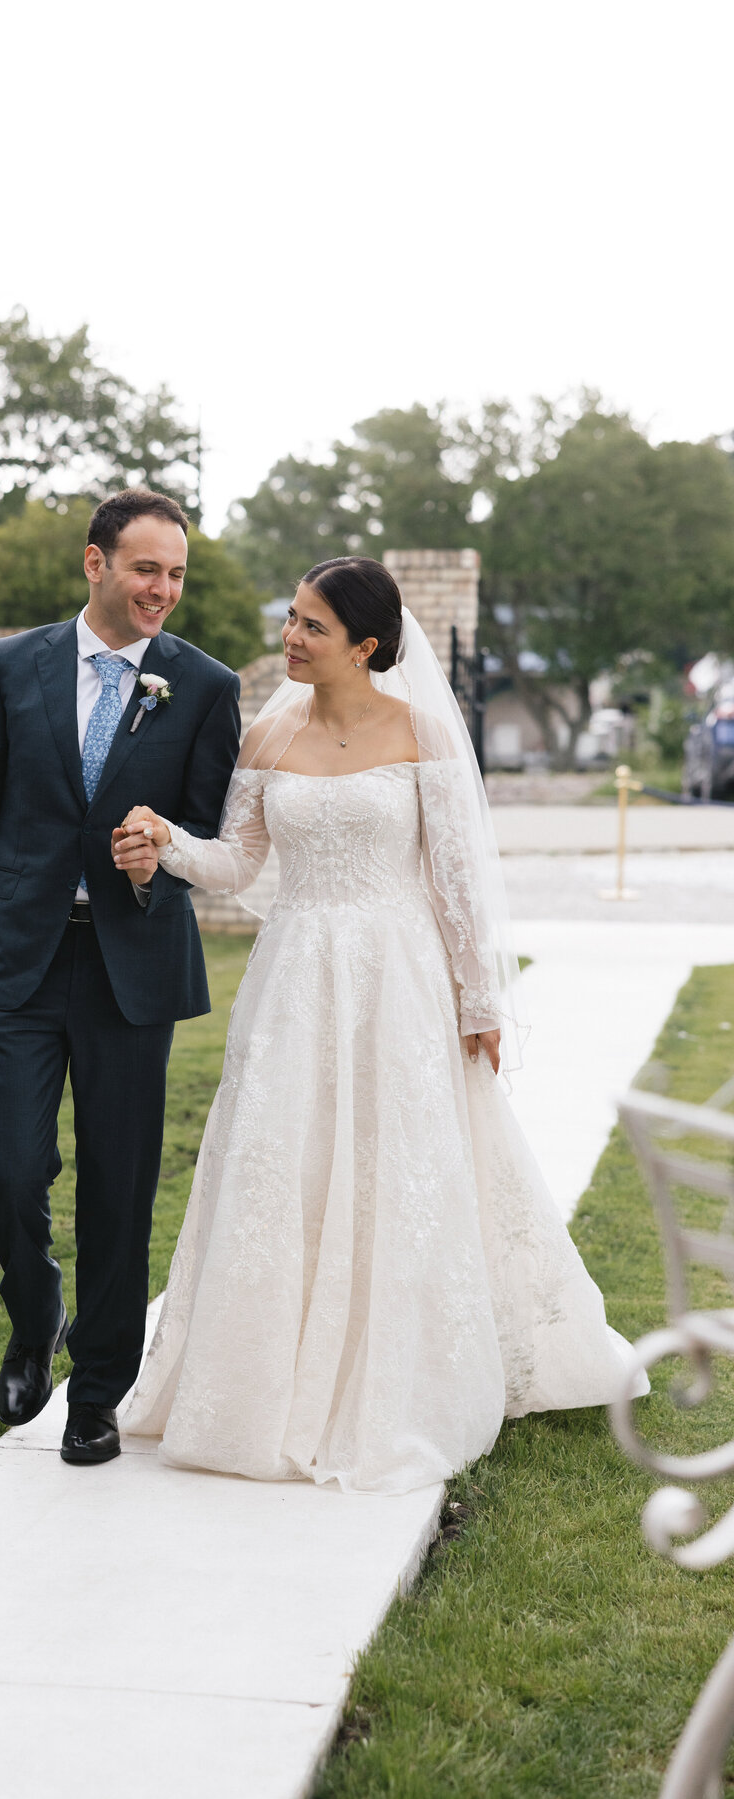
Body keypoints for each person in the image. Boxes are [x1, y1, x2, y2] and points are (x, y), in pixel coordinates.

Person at [114, 556, 646, 1495]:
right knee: (291, 1164)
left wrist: (476, 1001)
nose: (289, 638)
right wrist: (165, 844)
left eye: (312, 627)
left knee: (401, 1165)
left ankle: (399, 1377)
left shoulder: (422, 730)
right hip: (294, 980)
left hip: (400, 980)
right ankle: (266, 1378)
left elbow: (454, 880)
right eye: (290, 618)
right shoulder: (269, 731)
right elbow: (238, 866)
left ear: (365, 645)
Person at [0, 489, 241, 1466]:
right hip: (20, 956)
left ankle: (97, 1392)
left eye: (177, 573)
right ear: (94, 563)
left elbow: (209, 832)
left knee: (121, 1185)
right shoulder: (10, 665)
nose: (163, 589)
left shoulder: (202, 684)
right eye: (148, 568)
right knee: (11, 1170)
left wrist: (162, 859)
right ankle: (35, 1317)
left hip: (132, 965)